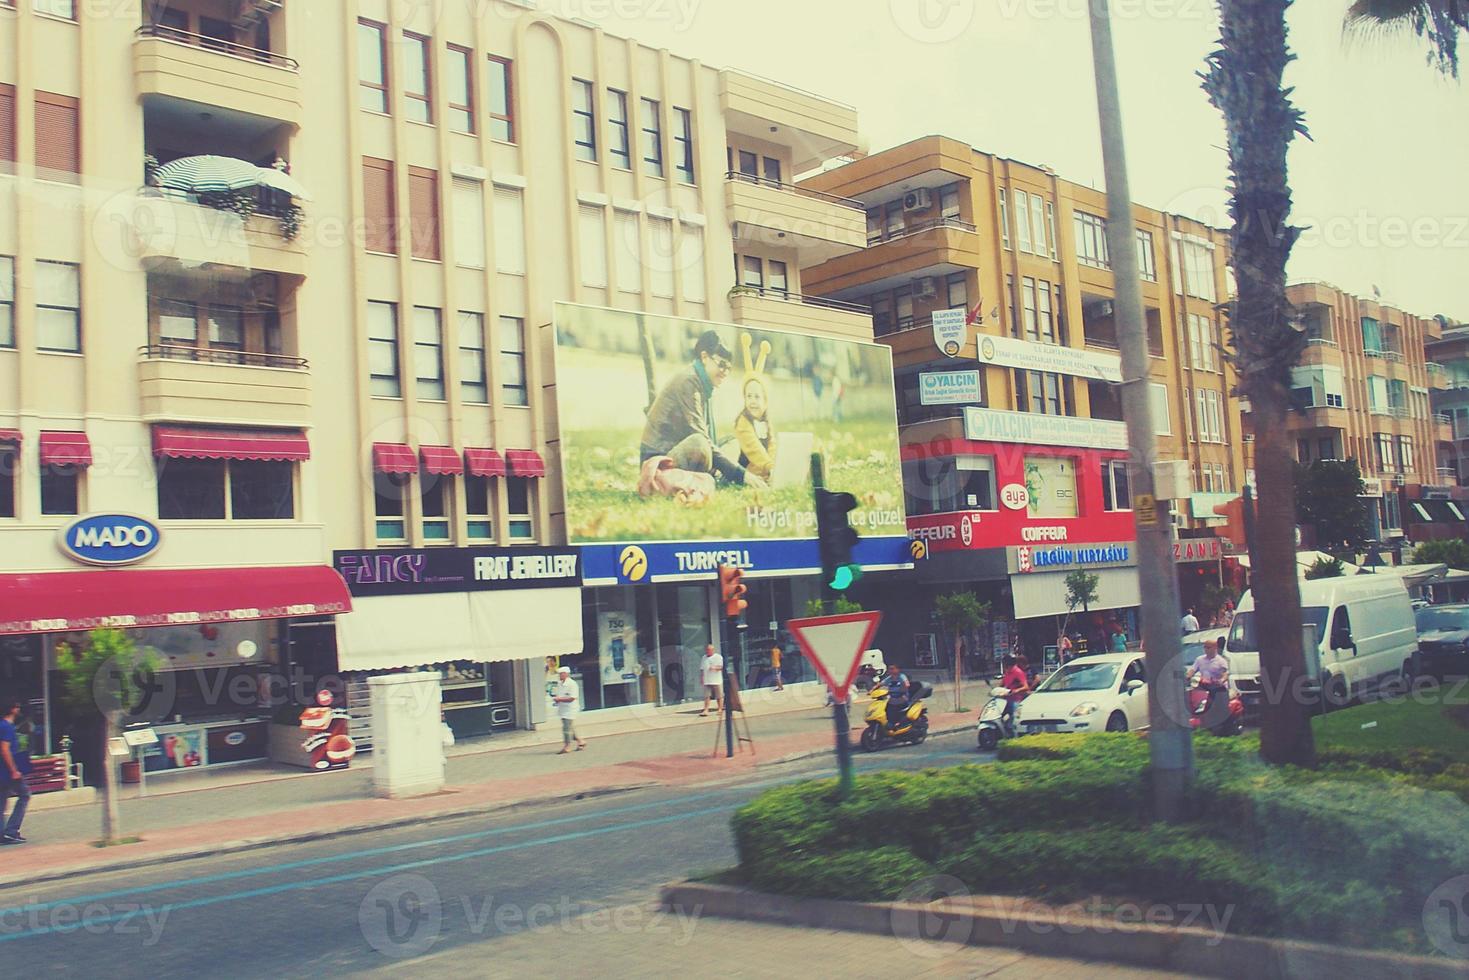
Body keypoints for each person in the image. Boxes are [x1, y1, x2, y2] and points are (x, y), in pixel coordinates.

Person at [639, 330, 766, 492]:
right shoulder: (689, 382)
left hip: (676, 451)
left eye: (729, 367)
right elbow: (702, 440)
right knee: (700, 444)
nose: (725, 372)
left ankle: (716, 478)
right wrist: (743, 475)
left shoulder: (703, 383)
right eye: (721, 365)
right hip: (658, 462)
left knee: (733, 442)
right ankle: (717, 478)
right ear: (705, 357)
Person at [0, 699, 30, 845]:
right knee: (24, 795)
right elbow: (5, 749)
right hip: (7, 771)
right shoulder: (7, 727)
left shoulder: (3, 725)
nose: (19, 709)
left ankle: (2, 835)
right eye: (17, 706)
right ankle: (11, 831)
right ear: (12, 709)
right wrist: (14, 770)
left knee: (1, 801)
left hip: (3, 771)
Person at [551, 667, 586, 754]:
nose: (559, 676)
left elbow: (572, 698)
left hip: (571, 708)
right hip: (563, 708)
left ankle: (567, 746)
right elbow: (559, 694)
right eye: (559, 674)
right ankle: (580, 741)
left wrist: (559, 699)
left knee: (566, 728)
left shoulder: (572, 684)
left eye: (561, 674)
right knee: (569, 727)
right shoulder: (559, 683)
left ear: (566, 674)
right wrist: (557, 699)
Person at [999, 655, 1031, 734]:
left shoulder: (1018, 672)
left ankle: (1014, 734)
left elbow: (1026, 686)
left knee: (1013, 720)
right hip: (1006, 699)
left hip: (1016, 699)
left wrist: (1016, 690)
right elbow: (1003, 683)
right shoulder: (1007, 672)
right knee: (999, 715)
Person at [880, 663, 911, 728]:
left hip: (901, 697)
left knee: (899, 709)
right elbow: (881, 684)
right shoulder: (889, 678)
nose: (890, 670)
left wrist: (903, 689)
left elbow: (907, 684)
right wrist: (872, 690)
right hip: (892, 698)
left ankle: (901, 723)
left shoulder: (902, 676)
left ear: (898, 669)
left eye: (892, 669)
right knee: (886, 708)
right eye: (889, 669)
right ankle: (890, 722)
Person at [699, 645, 725, 717]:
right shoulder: (704, 657)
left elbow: (721, 667)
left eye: (709, 650)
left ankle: (720, 709)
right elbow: (701, 669)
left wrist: (714, 668)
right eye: (707, 650)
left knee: (719, 695)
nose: (708, 651)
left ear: (713, 650)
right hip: (707, 680)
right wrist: (701, 677)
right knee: (707, 696)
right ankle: (706, 710)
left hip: (716, 680)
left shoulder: (718, 657)